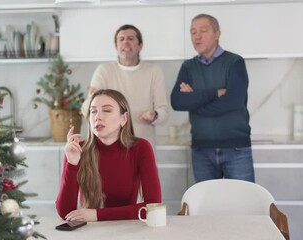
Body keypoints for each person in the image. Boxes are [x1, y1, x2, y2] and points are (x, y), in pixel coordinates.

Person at [170, 14, 255, 183]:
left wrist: (194, 101)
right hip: (201, 150)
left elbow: (232, 102)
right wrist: (215, 93)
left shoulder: (234, 62)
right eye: (193, 32)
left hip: (236, 148)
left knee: (244, 205)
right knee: (206, 207)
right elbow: (177, 101)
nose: (197, 36)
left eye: (203, 30)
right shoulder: (188, 67)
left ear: (217, 34)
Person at [56, 89, 161, 222]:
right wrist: (72, 163)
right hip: (90, 231)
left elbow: (153, 206)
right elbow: (65, 212)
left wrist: (98, 215)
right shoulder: (77, 149)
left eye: (106, 110)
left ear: (124, 119)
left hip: (127, 230)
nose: (97, 117)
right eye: (93, 111)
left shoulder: (141, 148)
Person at [81, 24, 169, 146]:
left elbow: (164, 113)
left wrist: (154, 115)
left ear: (140, 45)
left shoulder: (154, 71)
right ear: (116, 46)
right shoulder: (104, 71)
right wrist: (91, 97)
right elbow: (86, 111)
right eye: (121, 39)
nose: (126, 42)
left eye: (131, 38)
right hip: (110, 147)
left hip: (143, 145)